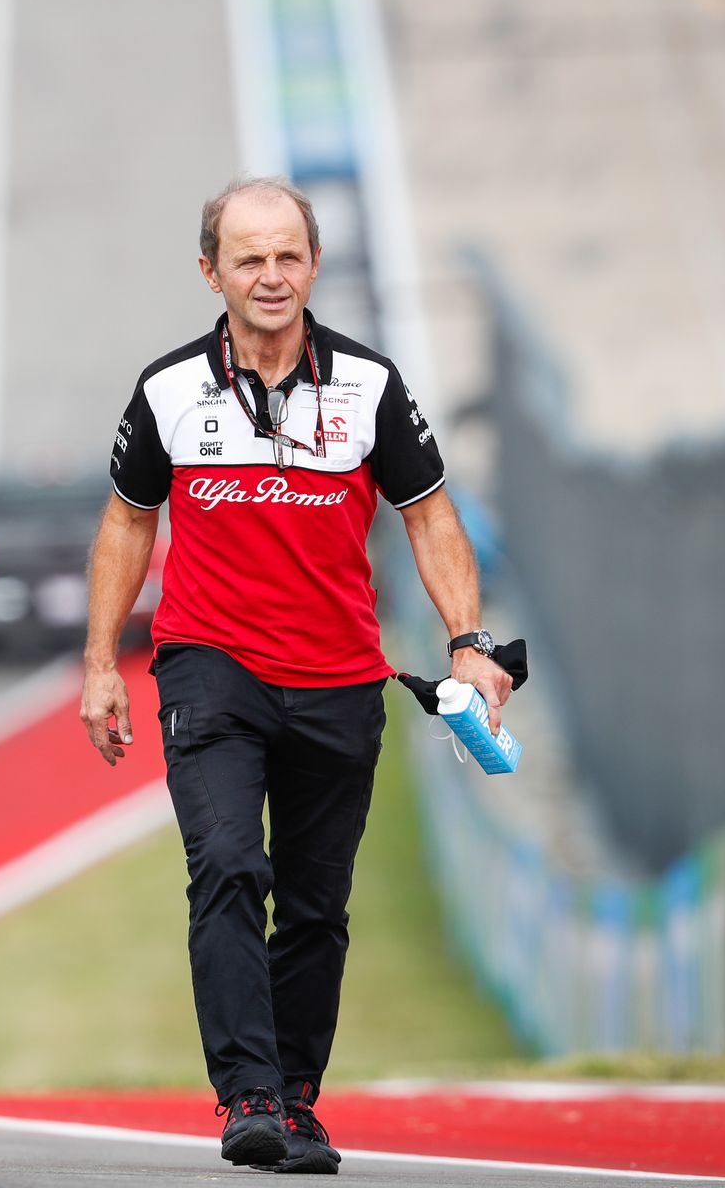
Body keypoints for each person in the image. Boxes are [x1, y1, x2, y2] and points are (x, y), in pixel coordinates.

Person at [78, 175, 512, 1173]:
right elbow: (128, 522)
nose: (270, 275)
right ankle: (249, 1096)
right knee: (231, 865)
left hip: (340, 677)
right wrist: (102, 662)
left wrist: (469, 641)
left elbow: (430, 516)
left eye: (287, 256)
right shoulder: (168, 389)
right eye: (249, 259)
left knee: (316, 905)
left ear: (313, 264)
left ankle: (297, 1098)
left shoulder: (370, 384)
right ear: (211, 272)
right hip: (210, 669)